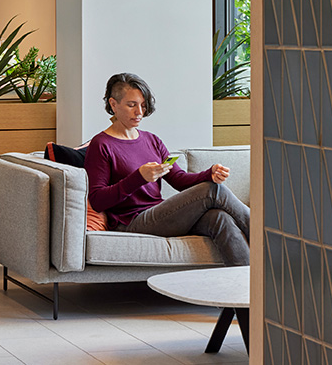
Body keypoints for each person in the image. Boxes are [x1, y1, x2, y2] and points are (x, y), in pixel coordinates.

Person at [84, 73, 249, 265]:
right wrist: (138, 177)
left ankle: (249, 287)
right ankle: (265, 234)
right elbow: (97, 200)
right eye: (132, 105)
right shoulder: (101, 144)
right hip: (131, 221)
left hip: (159, 214)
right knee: (212, 190)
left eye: (143, 105)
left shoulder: (151, 140)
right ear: (113, 104)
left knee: (219, 218)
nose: (139, 112)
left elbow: (178, 179)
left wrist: (208, 173)